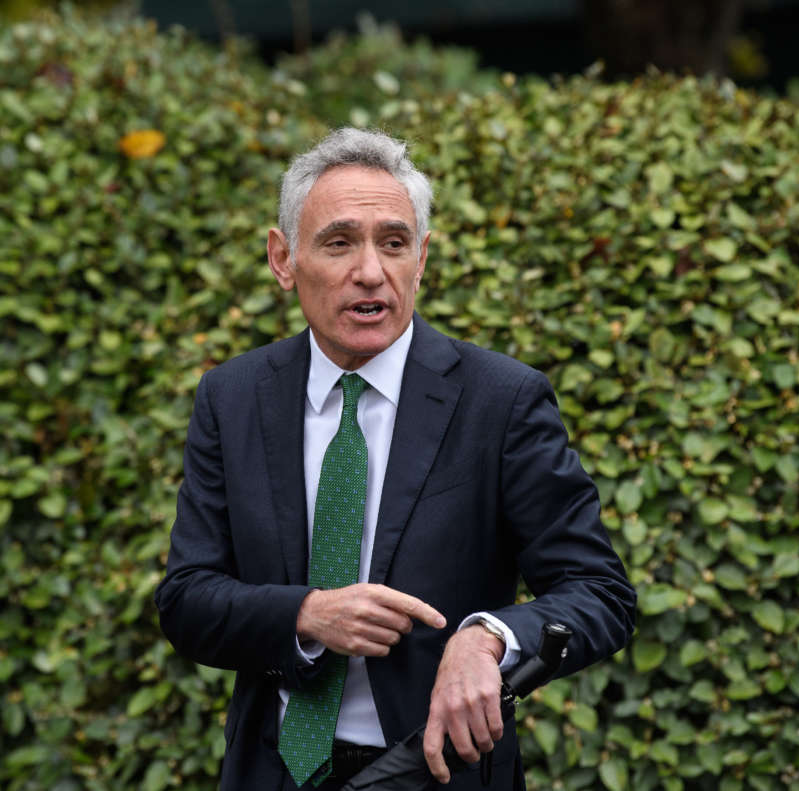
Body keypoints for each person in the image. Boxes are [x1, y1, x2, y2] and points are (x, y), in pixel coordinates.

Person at [155, 128, 636, 791]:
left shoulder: (500, 401)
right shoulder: (233, 396)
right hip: (273, 771)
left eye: (393, 242)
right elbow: (186, 600)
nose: (371, 272)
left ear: (423, 258)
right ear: (282, 257)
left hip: (438, 772)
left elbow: (600, 592)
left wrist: (491, 636)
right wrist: (305, 614)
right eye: (339, 242)